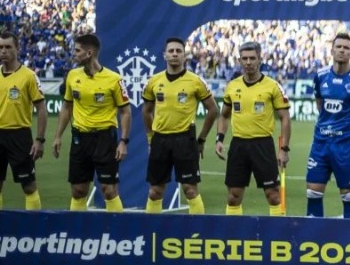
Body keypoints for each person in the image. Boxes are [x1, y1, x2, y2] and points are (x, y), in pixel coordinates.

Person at [51, 33, 130, 211]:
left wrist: (123, 141)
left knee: (109, 190)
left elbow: (125, 112)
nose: (74, 54)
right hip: (80, 139)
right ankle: (77, 235)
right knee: (78, 190)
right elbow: (66, 107)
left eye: (77, 50)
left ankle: (117, 234)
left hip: (105, 138)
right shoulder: (72, 76)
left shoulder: (114, 80)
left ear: (89, 53)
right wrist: (57, 137)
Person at [141, 37, 219, 215]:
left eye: (178, 51)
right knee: (155, 192)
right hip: (160, 140)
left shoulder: (195, 81)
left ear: (184, 56)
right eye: (171, 51)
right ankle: (153, 233)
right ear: (165, 55)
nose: (175, 54)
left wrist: (202, 139)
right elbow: (146, 111)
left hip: (185, 139)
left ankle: (197, 232)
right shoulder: (154, 81)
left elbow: (213, 109)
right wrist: (151, 138)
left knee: (190, 190)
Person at [215, 41, 291, 216]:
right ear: (239, 61)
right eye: (244, 59)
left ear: (260, 60)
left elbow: (285, 118)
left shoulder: (272, 86)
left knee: (273, 195)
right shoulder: (232, 86)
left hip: (262, 145)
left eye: (252, 58)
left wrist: (284, 149)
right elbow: (224, 115)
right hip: (238, 145)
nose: (248, 62)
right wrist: (219, 139)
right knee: (233, 196)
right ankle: (234, 237)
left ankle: (277, 236)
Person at [306, 32, 350, 219]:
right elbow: (320, 105)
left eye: (346, 48)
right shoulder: (320, 77)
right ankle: (313, 240)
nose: (342, 51)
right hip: (320, 143)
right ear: (332, 50)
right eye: (339, 47)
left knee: (349, 195)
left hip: (345, 145)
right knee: (313, 192)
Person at [0, 30, 48, 210]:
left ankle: (35, 230)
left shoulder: (28, 76)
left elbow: (41, 108)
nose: (3, 51)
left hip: (19, 136)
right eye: (0, 47)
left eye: (8, 47)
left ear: (17, 49)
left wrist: (40, 139)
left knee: (28, 186)